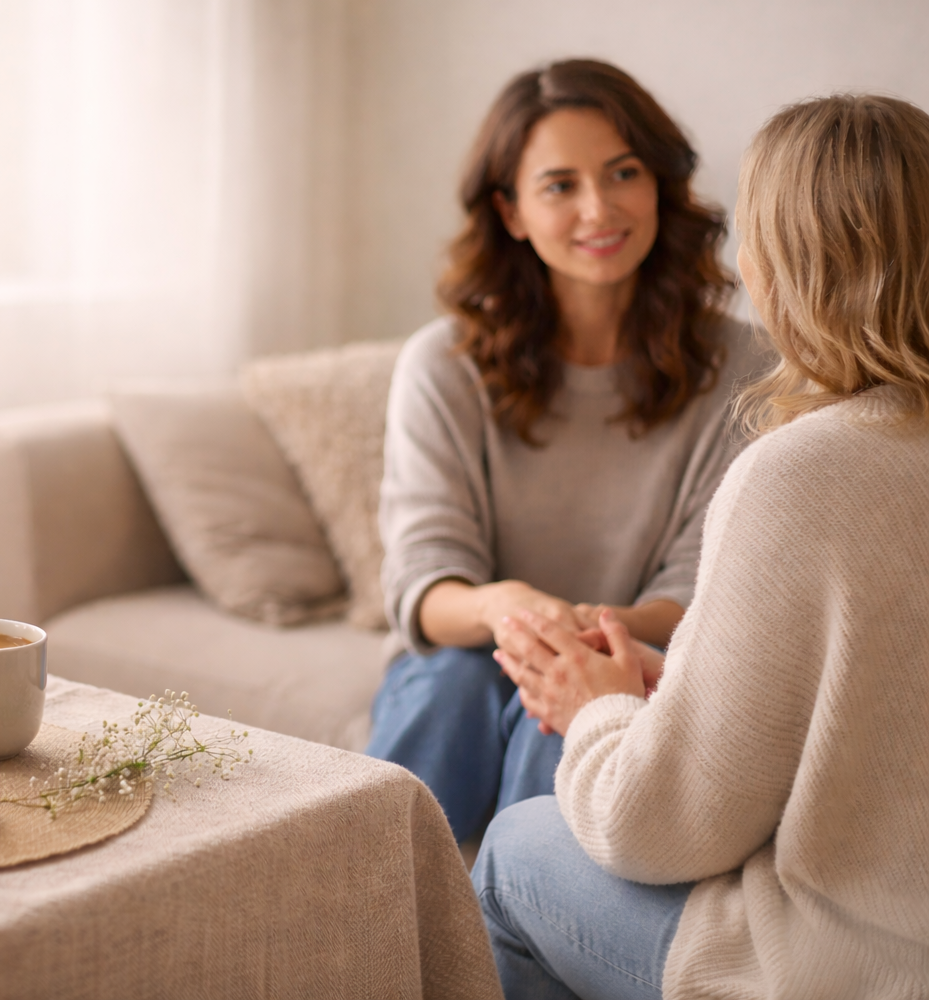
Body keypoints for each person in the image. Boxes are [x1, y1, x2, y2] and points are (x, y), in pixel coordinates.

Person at [476, 93, 929, 999]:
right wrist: (676, 680)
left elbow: (659, 829)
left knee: (514, 846)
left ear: (779, 267)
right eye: (559, 184)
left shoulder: (800, 470)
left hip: (849, 962)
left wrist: (596, 711)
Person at [368, 58, 771, 841]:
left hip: (637, 661)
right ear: (511, 211)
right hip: (464, 659)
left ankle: (518, 945)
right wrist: (511, 609)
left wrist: (582, 643)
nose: (599, 208)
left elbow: (702, 590)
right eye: (559, 185)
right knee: (449, 684)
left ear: (660, 184)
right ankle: (354, 930)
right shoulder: (440, 366)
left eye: (623, 172)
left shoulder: (748, 368)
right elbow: (424, 585)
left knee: (569, 703)